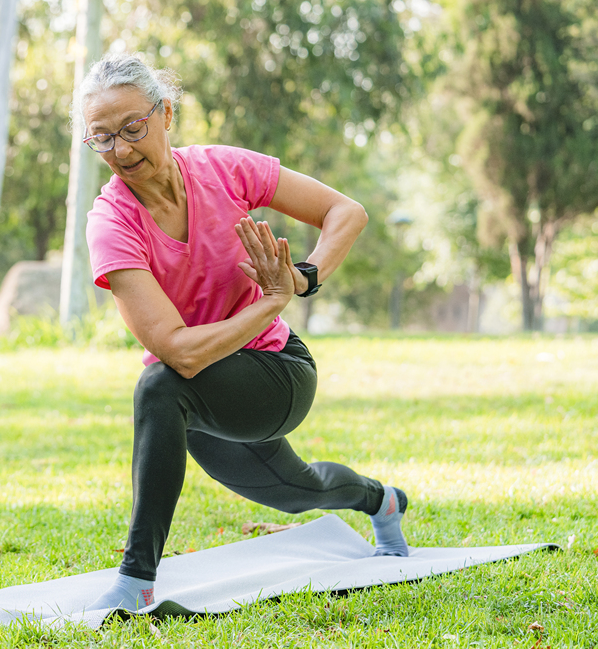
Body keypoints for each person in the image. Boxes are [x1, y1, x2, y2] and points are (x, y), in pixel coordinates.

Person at [79, 53, 410, 612]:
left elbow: (345, 212)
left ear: (166, 115)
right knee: (295, 491)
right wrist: (273, 300)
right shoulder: (111, 222)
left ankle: (136, 583)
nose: (122, 150)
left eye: (133, 129)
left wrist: (301, 281)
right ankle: (383, 502)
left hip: (277, 371)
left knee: (158, 386)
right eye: (102, 138)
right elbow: (179, 350)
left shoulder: (223, 169)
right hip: (202, 389)